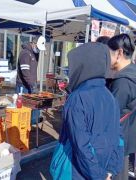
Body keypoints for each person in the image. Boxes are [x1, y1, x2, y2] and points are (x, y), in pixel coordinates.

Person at [55, 43, 123, 179]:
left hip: (77, 171)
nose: (70, 70)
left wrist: (99, 176)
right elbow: (118, 137)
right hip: (104, 167)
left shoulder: (77, 98)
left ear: (83, 65)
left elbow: (81, 146)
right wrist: (110, 171)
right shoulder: (110, 96)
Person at [108, 34, 136, 179]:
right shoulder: (133, 73)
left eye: (109, 54)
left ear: (119, 53)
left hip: (118, 140)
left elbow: (112, 114)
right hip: (128, 135)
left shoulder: (123, 81)